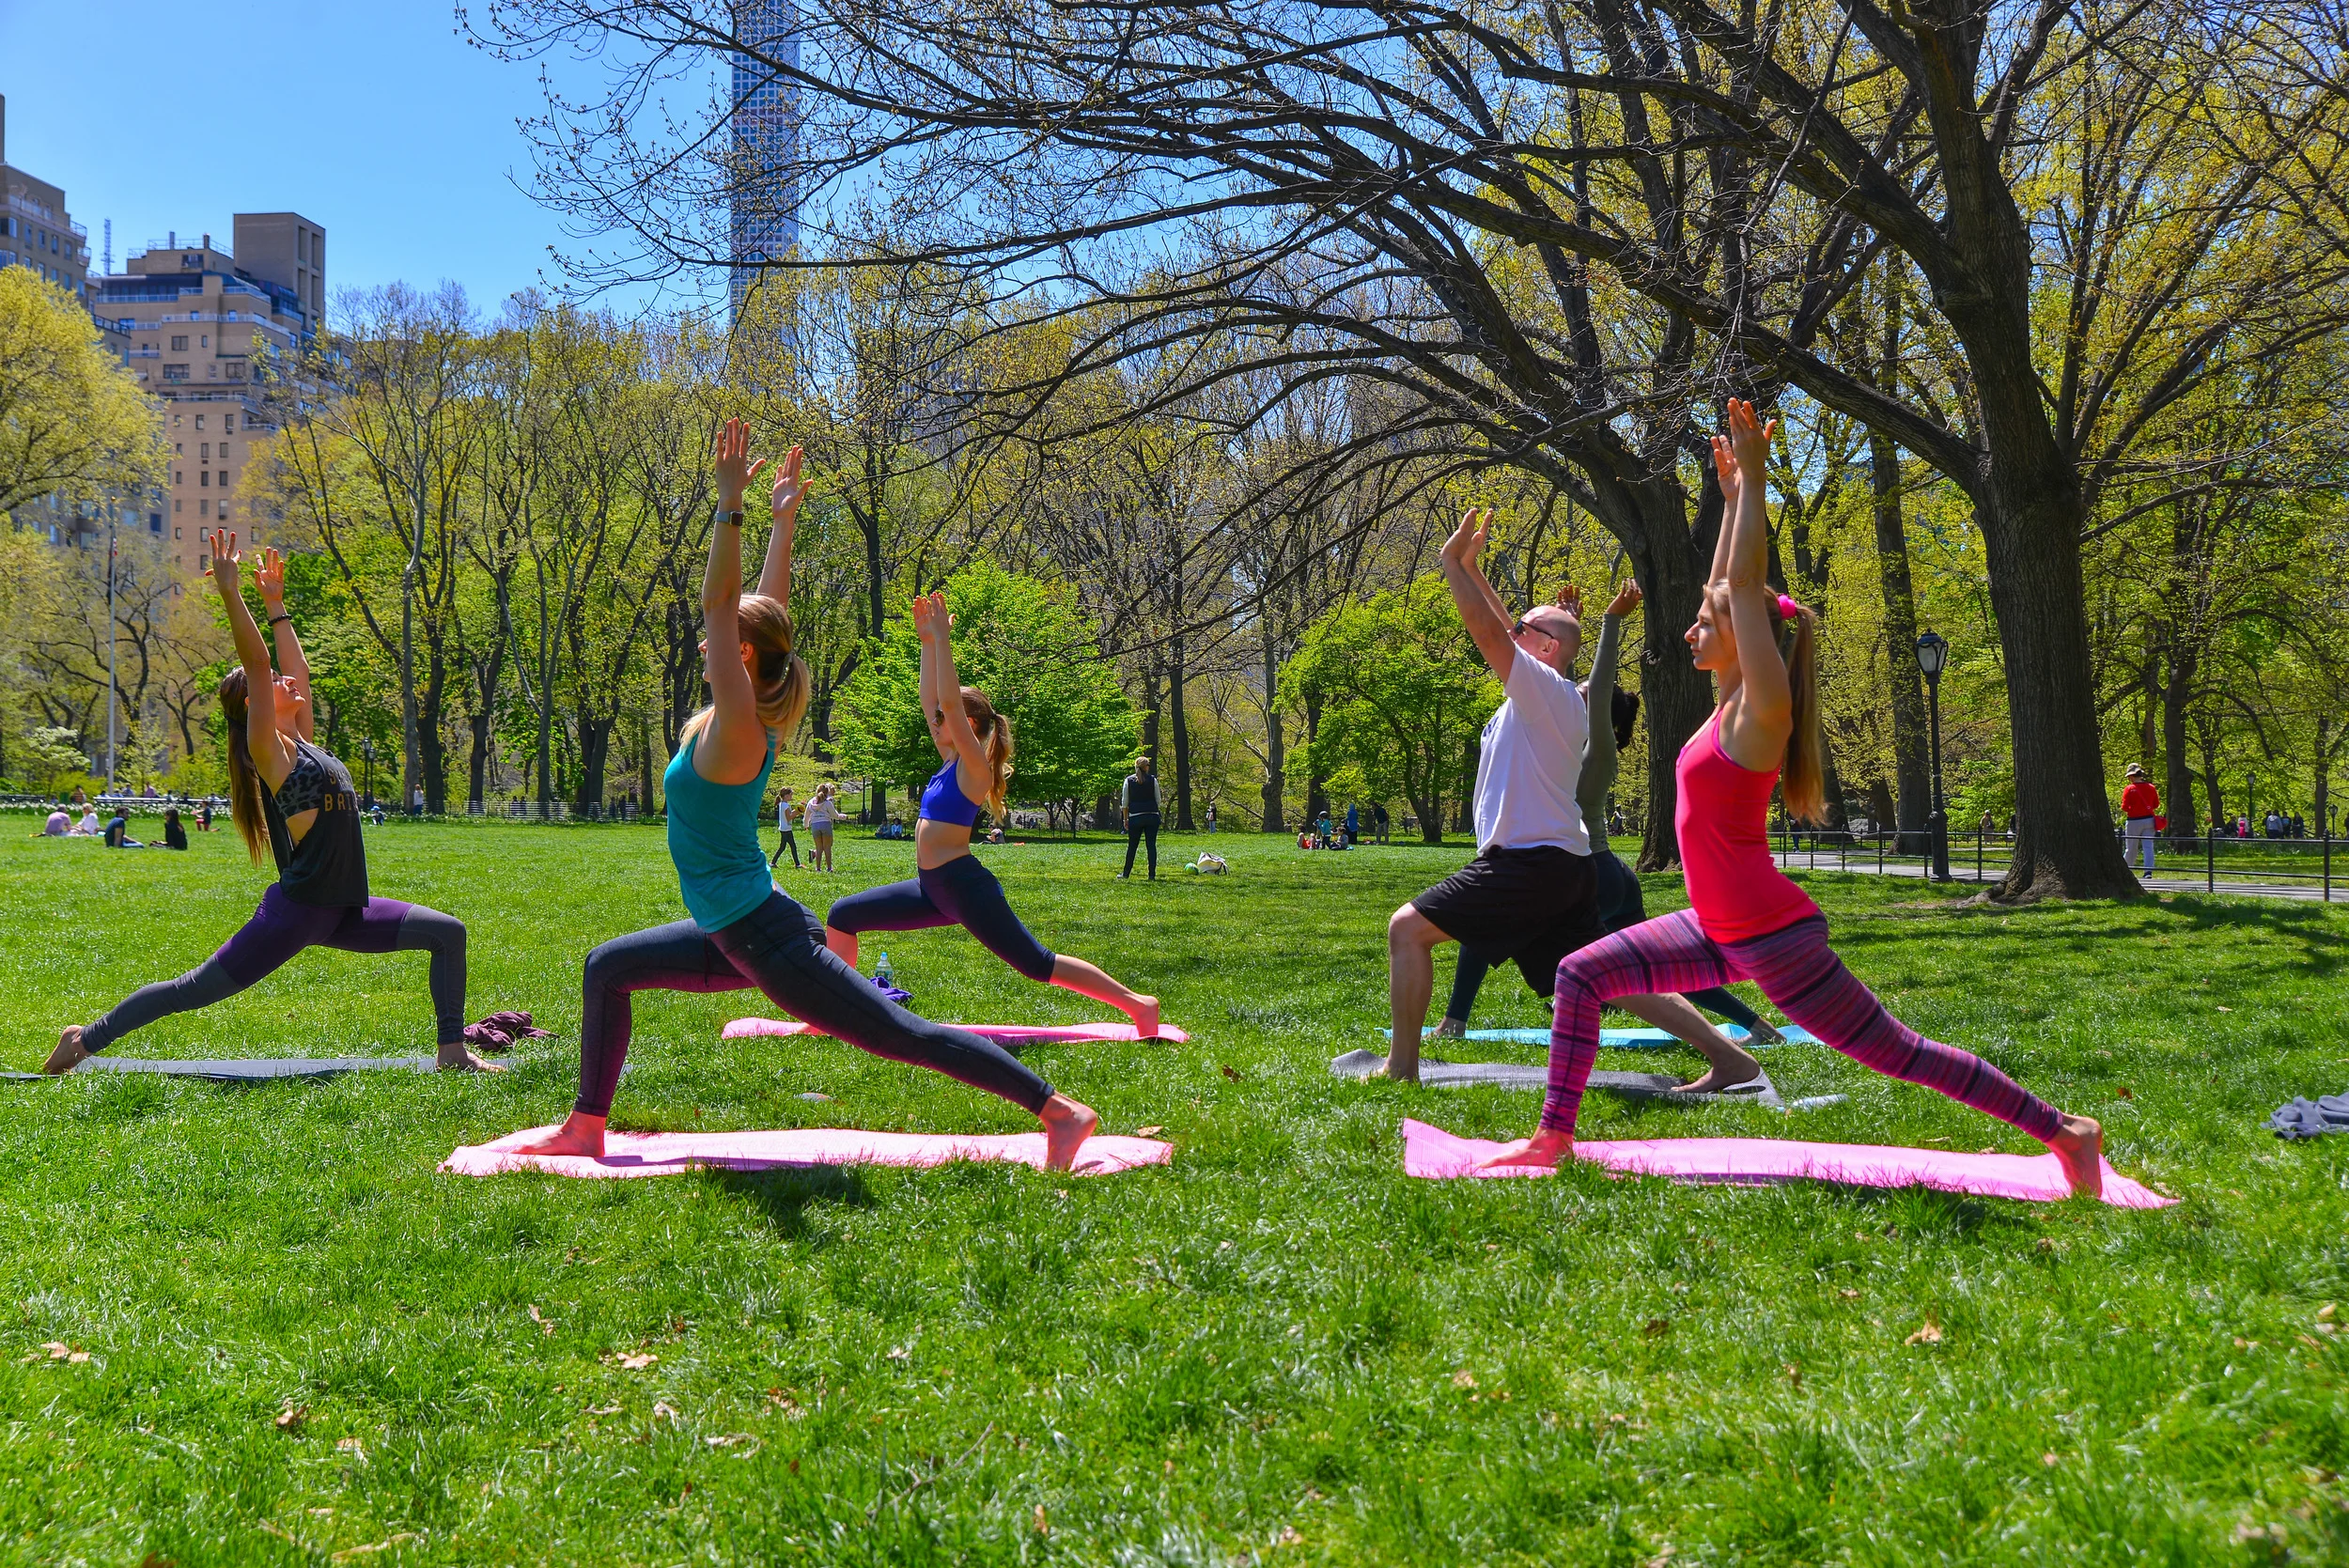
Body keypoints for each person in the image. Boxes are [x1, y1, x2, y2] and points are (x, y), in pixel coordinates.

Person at [1476, 400, 2104, 1194]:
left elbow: (1738, 584)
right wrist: (1732, 492)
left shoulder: (1760, 710)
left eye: (1706, 625)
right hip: (1714, 928)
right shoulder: (1725, 700)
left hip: (1772, 938)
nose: (1689, 632)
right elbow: (1724, 581)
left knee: (1900, 1053)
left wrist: (1760, 483)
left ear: (1745, 633)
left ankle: (2065, 1131)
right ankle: (1552, 1139)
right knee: (1579, 974)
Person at [510, 426, 1099, 1169]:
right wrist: (781, 522)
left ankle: (1059, 1110)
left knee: (900, 1034)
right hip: (736, 929)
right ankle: (585, 1126)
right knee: (608, 966)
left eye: (720, 640)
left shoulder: (738, 727)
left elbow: (723, 604)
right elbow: (761, 611)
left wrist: (731, 504)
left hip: (765, 938)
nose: (705, 642)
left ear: (741, 655)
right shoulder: (748, 706)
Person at [46, 536, 496, 1077]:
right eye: (274, 684)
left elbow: (293, 673)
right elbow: (260, 667)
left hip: (344, 909)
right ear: (256, 704)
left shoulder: (304, 742)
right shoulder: (271, 754)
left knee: (448, 933)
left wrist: (277, 604)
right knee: (193, 990)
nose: (289, 682)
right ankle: (83, 1038)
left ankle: (452, 1053)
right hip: (297, 912)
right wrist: (233, 594)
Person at [1380, 509, 1762, 1088]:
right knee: (1609, 976)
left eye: (1526, 629)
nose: (1513, 631)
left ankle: (1401, 1068)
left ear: (1549, 648)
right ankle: (1730, 1056)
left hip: (1529, 863)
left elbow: (1489, 631)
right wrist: (1471, 567)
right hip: (1560, 867)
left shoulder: (1549, 693)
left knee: (1406, 929)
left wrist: (1450, 564)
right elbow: (1506, 627)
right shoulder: (1538, 694)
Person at [1436, 579, 1781, 1063]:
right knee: (1647, 969)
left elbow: (1587, 686)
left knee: (1485, 922)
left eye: (1582, 689)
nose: (1571, 688)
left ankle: (1455, 1020)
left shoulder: (1591, 743)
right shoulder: (1567, 730)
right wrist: (1563, 626)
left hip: (1587, 872)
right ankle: (1756, 1025)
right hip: (1607, 874)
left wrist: (1611, 622)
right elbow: (1554, 679)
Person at [827, 588, 1162, 1038]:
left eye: (949, 718)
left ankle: (1139, 1004)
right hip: (932, 888)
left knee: (1035, 963)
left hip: (964, 889)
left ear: (972, 728)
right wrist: (927, 644)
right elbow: (933, 701)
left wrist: (944, 642)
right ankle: (838, 1008)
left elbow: (944, 702)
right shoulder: (948, 761)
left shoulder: (973, 767)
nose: (936, 721)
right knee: (843, 914)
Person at [1119, 756, 1161, 880]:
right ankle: (1152, 875)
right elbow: (1158, 800)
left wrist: (1125, 819)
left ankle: (1126, 873)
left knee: (1132, 846)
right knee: (1151, 846)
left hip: (1135, 816)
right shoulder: (1153, 780)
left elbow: (1125, 803)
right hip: (1152, 815)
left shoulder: (1129, 780)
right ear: (1146, 767)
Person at [2121, 763, 2159, 877]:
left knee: (2131, 847)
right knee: (2148, 846)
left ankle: (2126, 870)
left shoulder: (2129, 789)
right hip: (2149, 820)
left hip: (2133, 821)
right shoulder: (2151, 788)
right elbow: (2156, 804)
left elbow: (2124, 807)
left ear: (2131, 776)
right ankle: (2148, 871)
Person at [804, 783, 838, 872]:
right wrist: (841, 816)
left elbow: (807, 815)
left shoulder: (811, 802)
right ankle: (829, 868)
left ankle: (818, 868)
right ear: (827, 792)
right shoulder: (827, 803)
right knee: (827, 847)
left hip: (815, 825)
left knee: (819, 847)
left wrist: (806, 825)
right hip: (825, 824)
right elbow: (834, 815)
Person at [770, 785, 801, 870]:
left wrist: (798, 809)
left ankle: (773, 863)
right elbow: (789, 817)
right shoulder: (785, 805)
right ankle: (797, 864)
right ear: (786, 795)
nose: (791, 797)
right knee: (793, 847)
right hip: (786, 829)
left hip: (783, 828)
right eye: (791, 795)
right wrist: (798, 811)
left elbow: (789, 814)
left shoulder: (782, 804)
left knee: (782, 847)